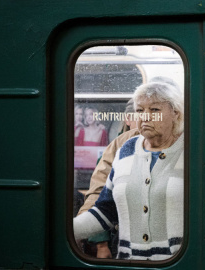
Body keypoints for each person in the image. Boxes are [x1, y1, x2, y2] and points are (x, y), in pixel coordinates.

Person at [74, 81, 184, 260]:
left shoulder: (191, 150)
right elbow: (104, 211)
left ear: (175, 113)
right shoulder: (125, 149)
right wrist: (66, 230)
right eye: (140, 111)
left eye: (154, 110)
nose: (145, 117)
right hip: (129, 262)